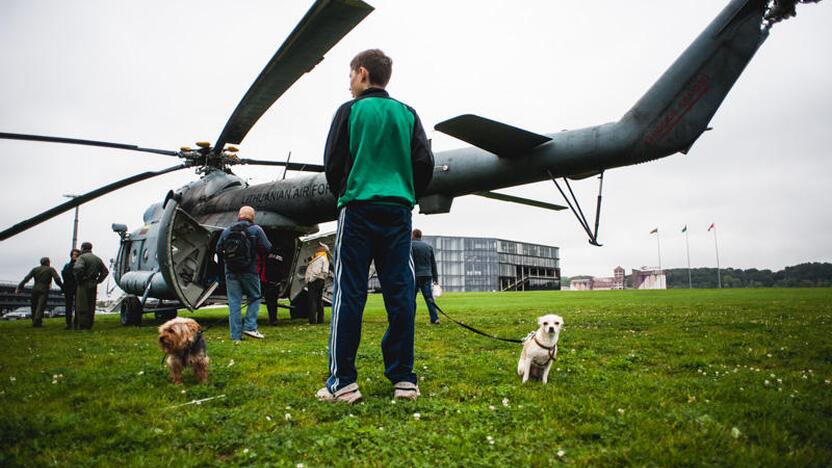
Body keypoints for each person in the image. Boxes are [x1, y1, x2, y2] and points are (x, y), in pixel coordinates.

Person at [317, 49, 434, 403]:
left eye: (350, 75)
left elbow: (333, 164)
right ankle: (403, 379)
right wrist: (405, 192)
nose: (349, 83)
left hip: (358, 209)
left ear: (363, 73)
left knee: (349, 292)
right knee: (401, 294)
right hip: (397, 211)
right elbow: (424, 163)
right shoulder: (407, 114)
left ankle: (344, 383)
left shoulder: (349, 111)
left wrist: (347, 191)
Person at [216, 206, 273, 342]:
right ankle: (250, 327)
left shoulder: (227, 231)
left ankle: (235, 336)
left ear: (239, 215)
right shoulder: (256, 229)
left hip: (230, 271)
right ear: (252, 217)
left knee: (234, 302)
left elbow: (218, 249)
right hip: (250, 270)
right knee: (254, 297)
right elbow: (267, 248)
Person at [16, 257, 63, 328]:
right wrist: (62, 287)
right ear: (48, 262)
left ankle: (35, 321)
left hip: (35, 288)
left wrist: (19, 287)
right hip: (44, 289)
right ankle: (37, 321)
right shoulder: (50, 269)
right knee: (41, 306)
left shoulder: (35, 269)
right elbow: (57, 279)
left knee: (34, 305)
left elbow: (26, 278)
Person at [72, 242, 109, 330]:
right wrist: (98, 281)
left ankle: (83, 325)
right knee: (91, 305)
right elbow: (105, 272)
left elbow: (78, 268)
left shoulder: (82, 257)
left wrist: (79, 279)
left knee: (82, 305)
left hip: (83, 283)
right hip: (93, 283)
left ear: (83, 248)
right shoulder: (97, 259)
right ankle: (89, 324)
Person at [411, 229, 440, 324]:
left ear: (413, 235)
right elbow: (433, 264)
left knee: (411, 299)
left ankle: (410, 319)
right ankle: (435, 318)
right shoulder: (428, 247)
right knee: (429, 298)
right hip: (427, 275)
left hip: (415, 276)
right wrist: (435, 279)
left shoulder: (410, 246)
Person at [257, 243, 283, 326]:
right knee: (274, 301)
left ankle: (272, 319)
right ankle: (273, 319)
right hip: (276, 282)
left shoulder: (267, 257)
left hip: (267, 281)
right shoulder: (279, 257)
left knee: (269, 301)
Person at [304, 243, 330, 324]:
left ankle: (313, 320)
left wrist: (313, 278)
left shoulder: (322, 258)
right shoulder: (317, 256)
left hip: (316, 280)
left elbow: (325, 272)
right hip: (316, 280)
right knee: (318, 300)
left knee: (313, 300)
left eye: (320, 246)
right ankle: (319, 320)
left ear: (324, 249)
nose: (318, 247)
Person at [61, 249, 81, 329]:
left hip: (76, 286)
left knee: (77, 306)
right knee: (68, 306)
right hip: (69, 287)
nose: (74, 256)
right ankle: (68, 323)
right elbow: (64, 274)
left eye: (76, 255)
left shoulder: (79, 265)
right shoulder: (67, 265)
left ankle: (76, 322)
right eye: (73, 254)